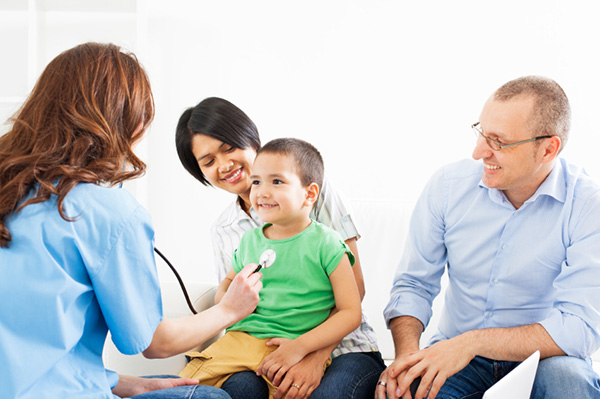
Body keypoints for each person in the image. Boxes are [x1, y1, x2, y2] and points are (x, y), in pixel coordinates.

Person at [0, 42, 263, 399]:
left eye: (228, 149)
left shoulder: (9, 192)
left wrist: (119, 383)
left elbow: (33, 351)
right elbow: (153, 342)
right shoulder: (108, 212)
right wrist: (230, 308)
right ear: (126, 120)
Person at [377, 76, 600, 399]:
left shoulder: (587, 205)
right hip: (456, 360)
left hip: (545, 359)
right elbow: (414, 285)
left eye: (498, 142)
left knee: (570, 383)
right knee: (414, 390)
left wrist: (473, 342)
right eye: (481, 132)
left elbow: (580, 328)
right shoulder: (448, 186)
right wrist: (407, 358)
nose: (479, 151)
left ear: (548, 149)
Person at [175, 97, 384, 399]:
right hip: (260, 352)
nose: (224, 165)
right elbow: (232, 302)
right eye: (208, 162)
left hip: (341, 347)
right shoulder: (226, 230)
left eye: (229, 148)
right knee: (238, 390)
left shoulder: (312, 190)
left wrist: (309, 356)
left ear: (251, 140)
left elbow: (355, 292)